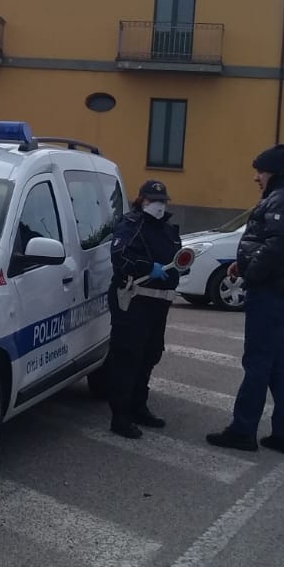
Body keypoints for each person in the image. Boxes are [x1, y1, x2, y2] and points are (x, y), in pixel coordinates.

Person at [207, 144, 284, 456]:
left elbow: (275, 245)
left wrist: (251, 273)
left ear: (271, 171)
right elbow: (271, 243)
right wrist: (242, 264)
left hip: (273, 291)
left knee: (258, 361)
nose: (256, 178)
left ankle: (242, 430)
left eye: (259, 171)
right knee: (276, 363)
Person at [101, 179, 182, 439]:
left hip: (159, 303)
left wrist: (181, 265)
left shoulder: (169, 231)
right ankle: (120, 416)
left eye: (161, 201)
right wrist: (148, 268)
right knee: (127, 357)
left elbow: (178, 258)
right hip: (133, 301)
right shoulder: (130, 226)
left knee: (150, 354)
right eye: (152, 201)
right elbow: (120, 257)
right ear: (141, 201)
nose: (157, 206)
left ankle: (139, 407)